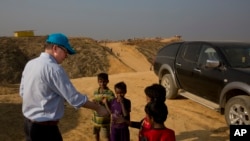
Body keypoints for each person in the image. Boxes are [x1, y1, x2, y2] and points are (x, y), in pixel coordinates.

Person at [19, 33, 109, 141]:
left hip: (29, 125)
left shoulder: (30, 64)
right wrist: (98, 108)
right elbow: (74, 98)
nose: (66, 56)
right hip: (45, 130)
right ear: (55, 48)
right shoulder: (54, 69)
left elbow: (23, 92)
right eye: (65, 52)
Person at [92, 72, 115, 141]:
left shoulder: (110, 93)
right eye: (100, 82)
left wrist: (106, 103)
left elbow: (112, 107)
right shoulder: (95, 92)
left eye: (104, 82)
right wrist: (94, 102)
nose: (102, 84)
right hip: (95, 120)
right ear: (98, 82)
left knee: (106, 137)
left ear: (107, 82)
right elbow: (95, 102)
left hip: (105, 121)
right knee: (96, 134)